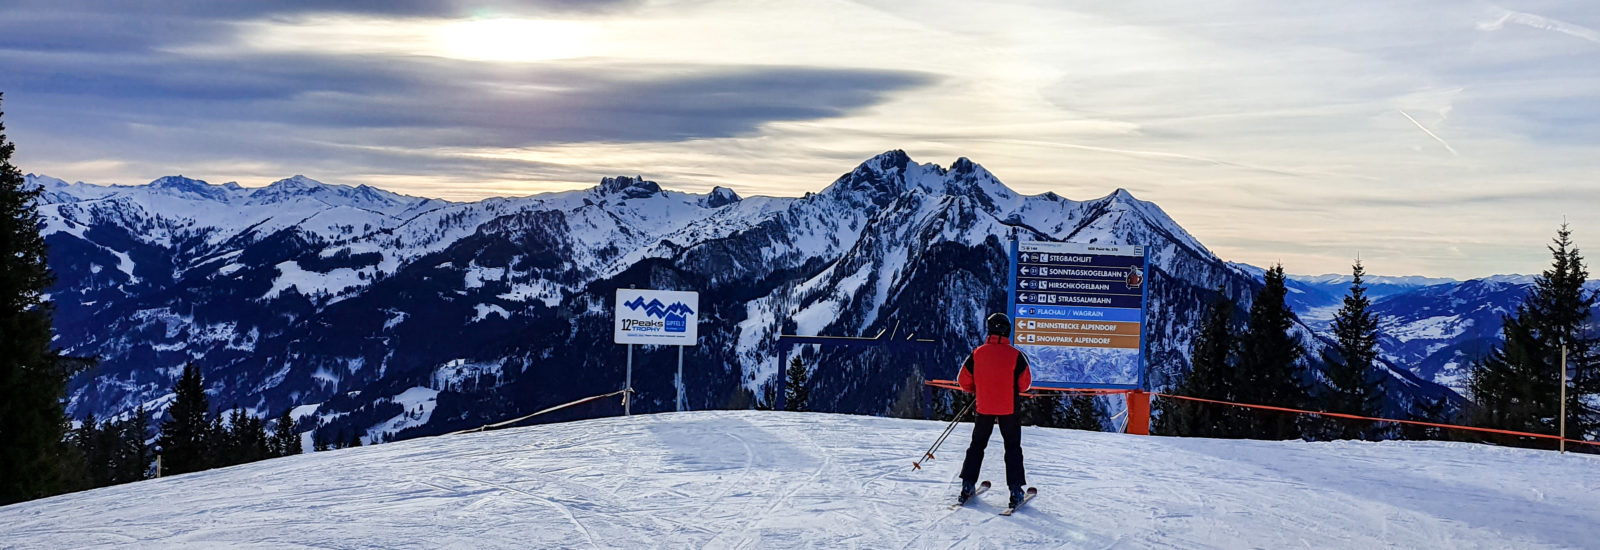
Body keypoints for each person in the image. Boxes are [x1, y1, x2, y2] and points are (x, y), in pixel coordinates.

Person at [956, 312, 1032, 508]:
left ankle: (967, 485)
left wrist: (978, 389)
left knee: (977, 445)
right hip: (1009, 408)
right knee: (1012, 447)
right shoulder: (1016, 356)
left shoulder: (977, 353)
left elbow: (963, 381)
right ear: (1007, 331)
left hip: (984, 407)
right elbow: (1025, 385)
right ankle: (1015, 491)